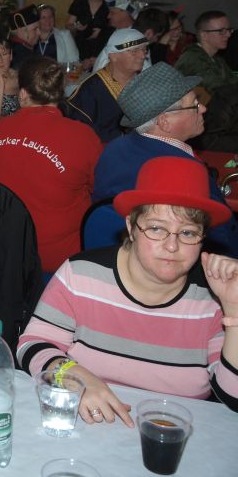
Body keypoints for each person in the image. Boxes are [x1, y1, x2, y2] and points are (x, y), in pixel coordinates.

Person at [17, 156, 238, 425]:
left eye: (188, 233)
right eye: (156, 228)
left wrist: (234, 310)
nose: (172, 246)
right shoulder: (82, 275)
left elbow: (233, 397)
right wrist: (74, 374)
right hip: (86, 427)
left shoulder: (215, 296)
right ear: (131, 227)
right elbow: (32, 344)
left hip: (173, 437)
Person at [94, 62, 238, 257]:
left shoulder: (113, 150)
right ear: (164, 122)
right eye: (195, 104)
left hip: (114, 256)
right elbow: (222, 237)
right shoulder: (186, 171)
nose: (203, 108)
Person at [0, 57, 102, 273]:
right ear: (60, 93)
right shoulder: (82, 136)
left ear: (23, 93)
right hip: (59, 261)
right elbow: (99, 190)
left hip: (2, 251)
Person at [64, 28, 148, 142]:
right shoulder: (91, 90)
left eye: (144, 49)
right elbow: (79, 133)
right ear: (113, 56)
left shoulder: (145, 82)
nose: (142, 55)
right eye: (134, 51)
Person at [175, 10, 234, 94]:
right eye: (221, 31)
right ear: (204, 35)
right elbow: (218, 90)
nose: (228, 34)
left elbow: (233, 83)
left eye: (228, 30)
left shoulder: (217, 60)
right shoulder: (193, 59)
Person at [66, 0, 111, 64]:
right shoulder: (79, 3)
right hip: (79, 47)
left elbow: (113, 28)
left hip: (99, 51)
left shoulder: (108, 7)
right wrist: (75, 26)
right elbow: (68, 25)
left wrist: (101, 31)